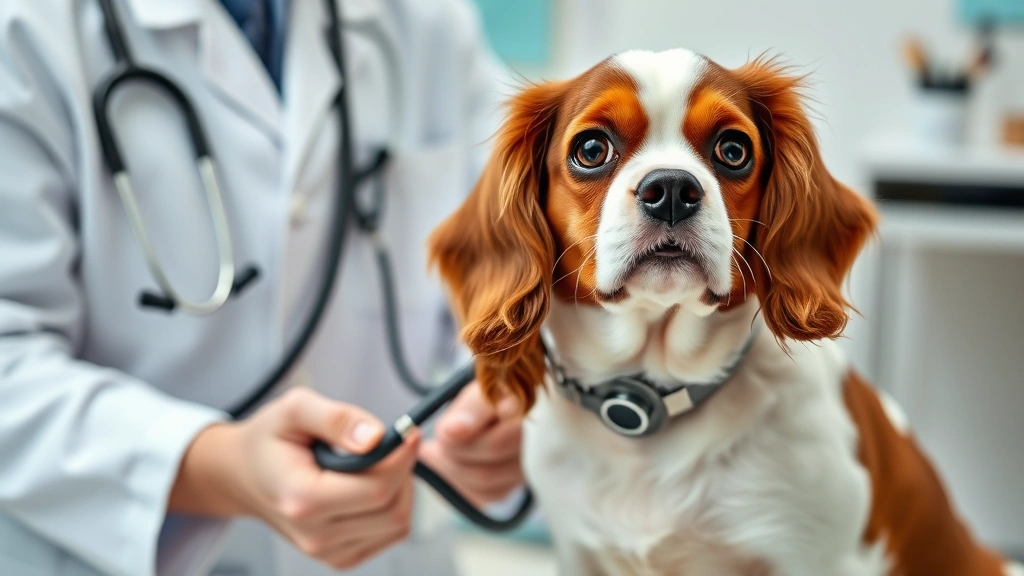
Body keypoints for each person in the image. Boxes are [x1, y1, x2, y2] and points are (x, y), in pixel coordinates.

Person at [0, 0, 525, 574]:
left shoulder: (423, 21)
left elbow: (525, 250)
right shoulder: (25, 29)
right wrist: (214, 466)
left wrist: (511, 395)